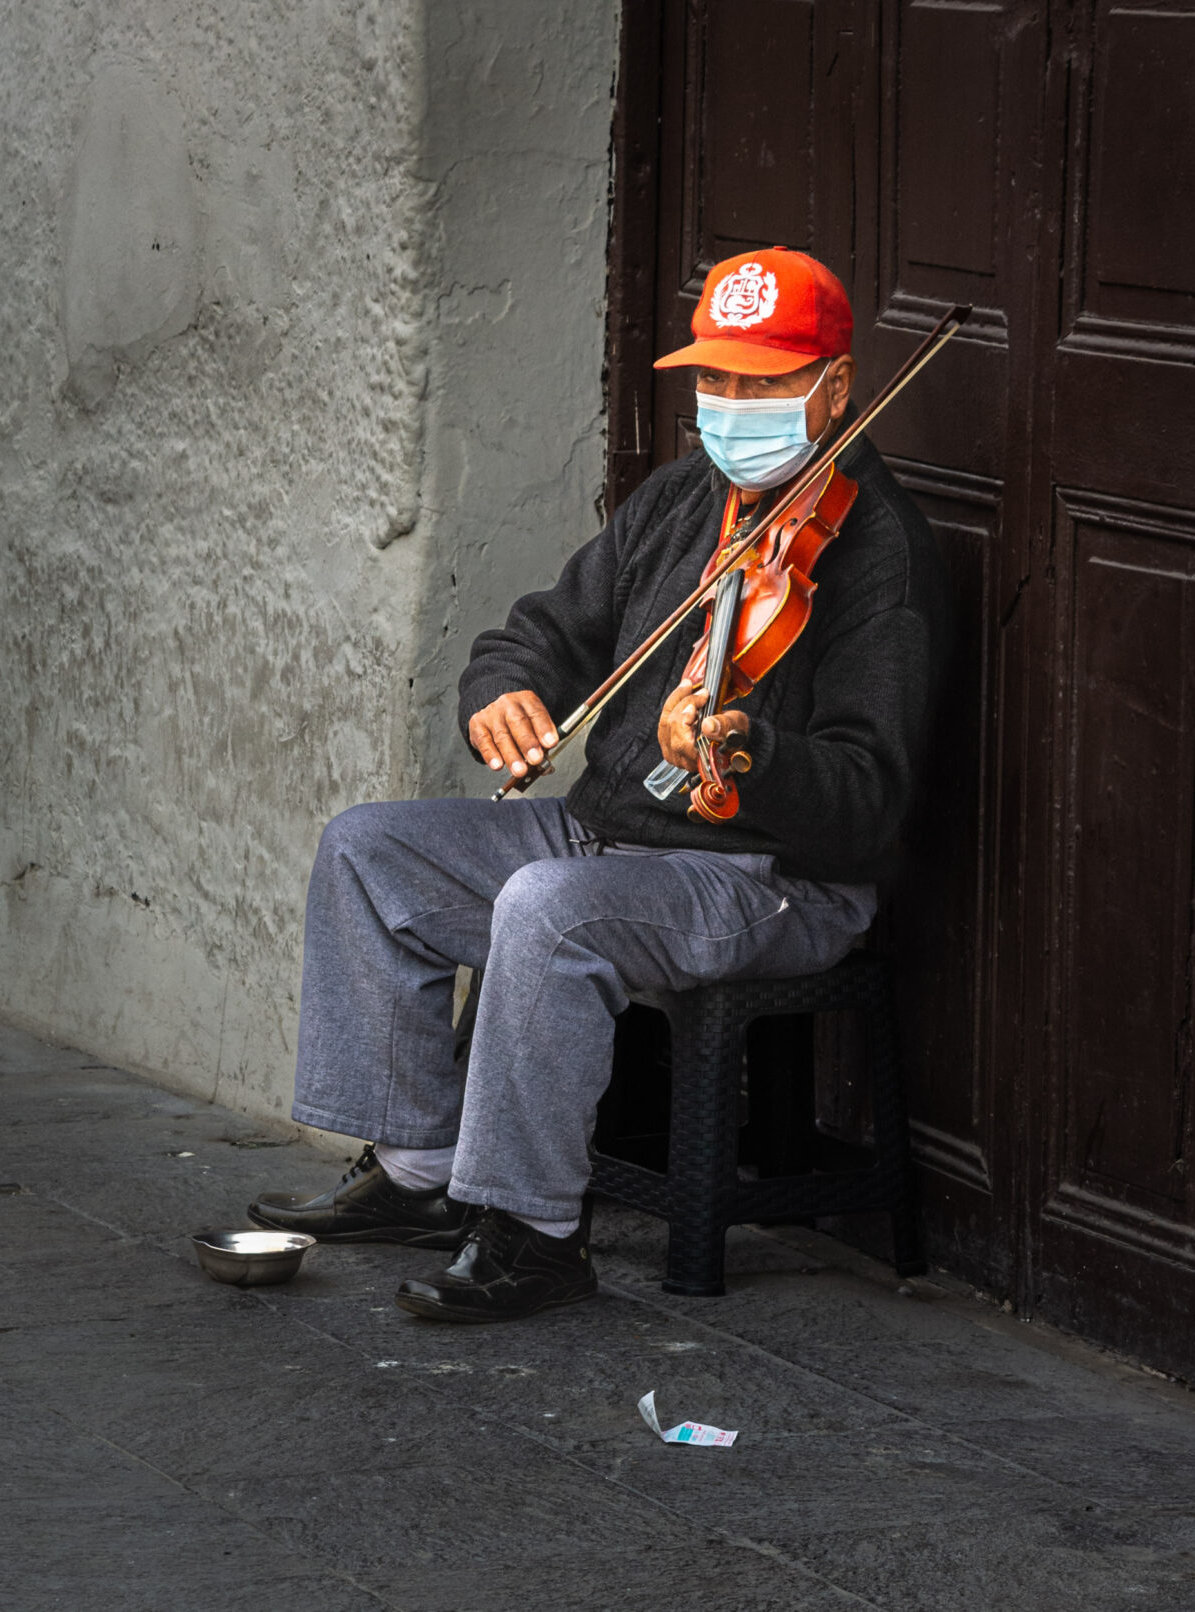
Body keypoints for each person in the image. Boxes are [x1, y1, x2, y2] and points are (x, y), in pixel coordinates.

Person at [249, 248, 951, 1322]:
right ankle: (422, 1168)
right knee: (367, 846)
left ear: (835, 387)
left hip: (769, 879)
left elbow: (865, 798)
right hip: (607, 838)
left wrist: (749, 751)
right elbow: (541, 631)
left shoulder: (878, 551)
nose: (729, 406)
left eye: (761, 384)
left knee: (547, 909)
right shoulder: (682, 498)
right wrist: (502, 689)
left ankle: (532, 1233)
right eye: (714, 381)